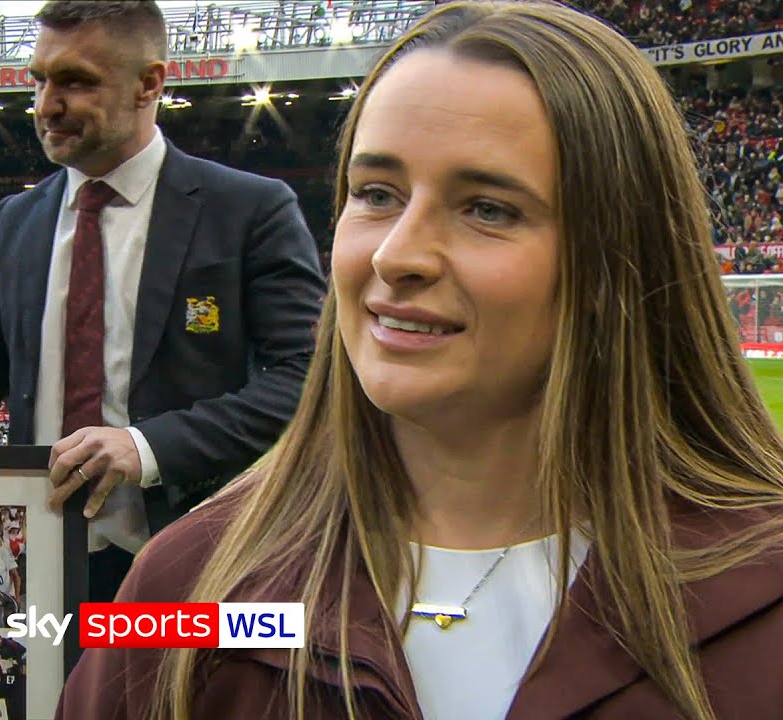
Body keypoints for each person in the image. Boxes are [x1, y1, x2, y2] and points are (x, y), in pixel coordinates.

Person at [55, 1, 783, 719]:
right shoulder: (188, 584)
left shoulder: (758, 598)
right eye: (376, 194)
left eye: (487, 208)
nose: (398, 253)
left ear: (617, 258)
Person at [0, 0, 326, 602]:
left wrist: (146, 445)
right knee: (61, 698)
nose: (46, 106)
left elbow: (306, 380)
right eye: (40, 79)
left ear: (149, 83)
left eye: (75, 82)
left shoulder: (250, 210)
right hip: (46, 557)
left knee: (168, 697)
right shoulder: (16, 222)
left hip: (194, 559)